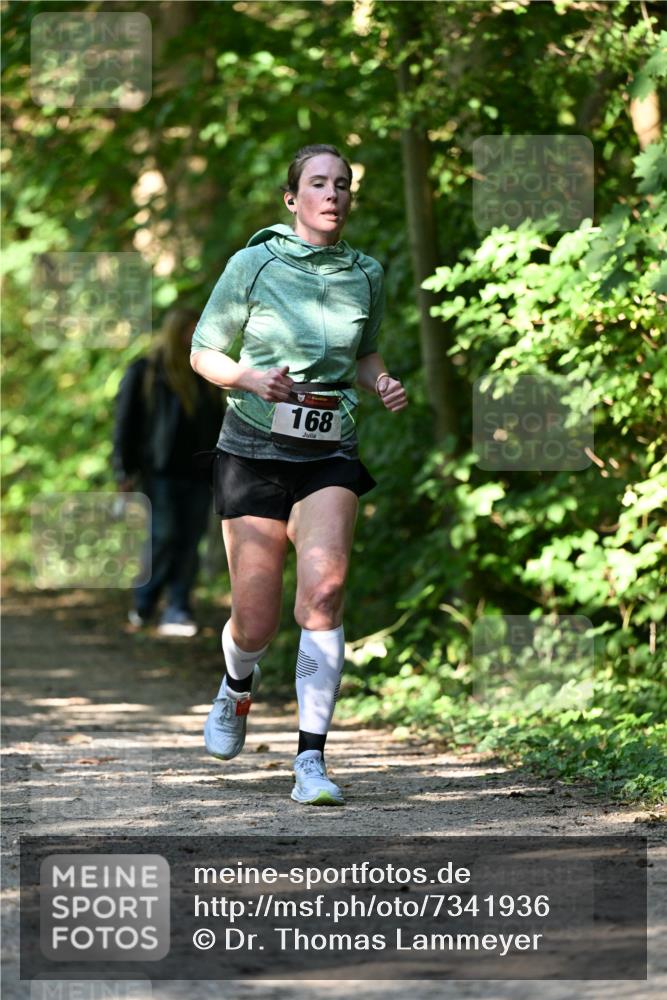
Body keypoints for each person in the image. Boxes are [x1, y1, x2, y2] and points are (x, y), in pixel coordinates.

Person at [190, 144, 407, 805]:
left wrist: (380, 380)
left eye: (342, 185)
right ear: (293, 199)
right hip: (253, 447)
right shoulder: (253, 264)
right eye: (319, 183)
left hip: (329, 449)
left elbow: (363, 353)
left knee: (323, 595)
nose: (333, 194)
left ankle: (310, 762)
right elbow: (204, 350)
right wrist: (249, 376)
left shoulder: (366, 273)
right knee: (254, 623)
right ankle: (236, 689)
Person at [113, 306, 224, 637]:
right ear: (176, 332)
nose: (194, 336)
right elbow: (125, 424)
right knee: (164, 536)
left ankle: (178, 608)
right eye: (189, 330)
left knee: (190, 541)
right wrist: (123, 469)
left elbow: (217, 423)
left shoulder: (208, 375)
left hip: (198, 472)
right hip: (158, 472)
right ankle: (145, 603)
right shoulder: (146, 371)